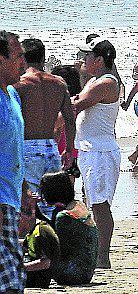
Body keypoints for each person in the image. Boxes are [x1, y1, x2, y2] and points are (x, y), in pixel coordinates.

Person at [13, 38, 75, 218]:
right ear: (43, 59)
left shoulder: (20, 85)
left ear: (22, 59)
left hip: (27, 148)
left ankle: (35, 243)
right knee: (52, 203)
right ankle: (53, 241)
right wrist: (69, 150)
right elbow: (69, 120)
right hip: (51, 148)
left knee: (29, 203)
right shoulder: (59, 83)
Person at [72, 38, 120, 269]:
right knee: (91, 203)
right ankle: (97, 255)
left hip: (100, 151)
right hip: (91, 149)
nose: (83, 60)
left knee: (100, 206)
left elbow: (76, 105)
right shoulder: (95, 80)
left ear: (99, 60)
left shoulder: (106, 83)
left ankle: (103, 258)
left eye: (87, 56)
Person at [39, 171, 99, 285]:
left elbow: (56, 248)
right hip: (85, 273)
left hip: (70, 274)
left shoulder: (63, 216)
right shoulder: (78, 205)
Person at [0, 30, 26, 292]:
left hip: (11, 198)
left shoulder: (13, 96)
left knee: (14, 271)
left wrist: (26, 192)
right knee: (9, 281)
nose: (23, 63)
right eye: (18, 56)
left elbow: (15, 148)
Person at [19, 185, 59, 288]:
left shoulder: (42, 230)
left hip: (38, 279)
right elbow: (24, 243)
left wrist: (19, 268)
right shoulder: (33, 230)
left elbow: (46, 262)